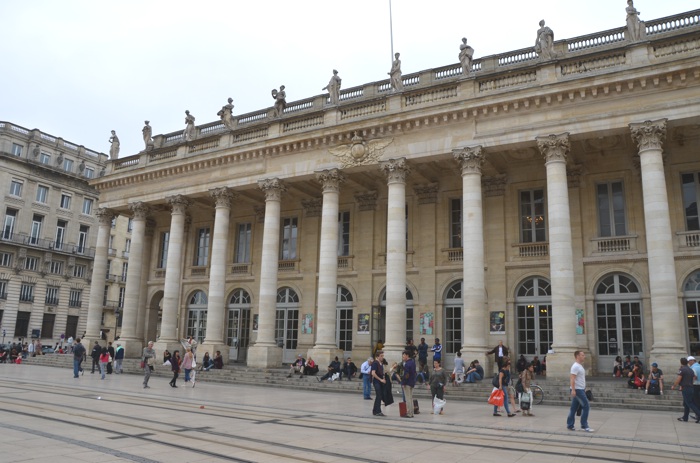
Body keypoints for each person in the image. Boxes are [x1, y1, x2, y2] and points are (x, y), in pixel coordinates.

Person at [567, 350, 594, 432]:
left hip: (580, 389)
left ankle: (570, 425)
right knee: (586, 406)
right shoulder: (575, 366)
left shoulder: (579, 366)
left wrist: (584, 388)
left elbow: (580, 379)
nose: (584, 356)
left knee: (573, 408)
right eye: (582, 355)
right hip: (577, 390)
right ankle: (584, 425)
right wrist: (573, 390)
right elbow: (572, 378)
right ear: (577, 356)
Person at [670, 357, 700, 423]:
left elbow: (678, 379)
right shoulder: (690, 369)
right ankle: (685, 417)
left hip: (686, 388)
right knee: (686, 404)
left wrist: (674, 386)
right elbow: (695, 377)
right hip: (691, 388)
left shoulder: (682, 369)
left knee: (690, 403)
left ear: (681, 362)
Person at [401, 350, 416, 418]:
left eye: (403, 355)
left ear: (407, 355)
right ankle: (411, 412)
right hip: (412, 382)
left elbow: (406, 374)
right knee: (410, 398)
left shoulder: (407, 364)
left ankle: (409, 413)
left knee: (407, 399)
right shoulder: (413, 362)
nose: (403, 357)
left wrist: (403, 382)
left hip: (407, 383)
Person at [371, 351, 386, 416]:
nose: (382, 357)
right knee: (379, 395)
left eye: (383, 356)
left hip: (380, 381)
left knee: (379, 396)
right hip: (376, 381)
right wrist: (380, 380)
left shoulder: (380, 363)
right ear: (377, 357)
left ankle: (375, 410)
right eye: (381, 356)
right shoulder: (375, 363)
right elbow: (373, 373)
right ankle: (377, 411)